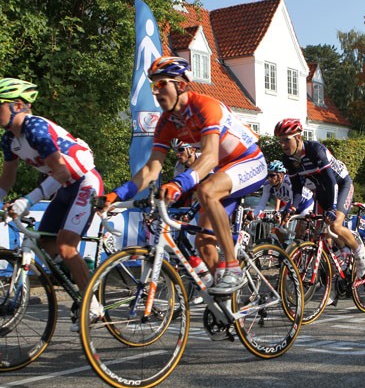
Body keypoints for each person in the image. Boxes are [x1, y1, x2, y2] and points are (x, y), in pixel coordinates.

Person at [101, 56, 267, 295]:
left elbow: (208, 157)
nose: (156, 92)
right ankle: (224, 303)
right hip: (225, 171)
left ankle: (233, 268)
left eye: (161, 84)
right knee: (202, 242)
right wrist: (115, 195)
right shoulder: (167, 123)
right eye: (153, 85)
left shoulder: (205, 106)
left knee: (206, 190)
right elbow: (151, 170)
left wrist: (179, 184)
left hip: (249, 161)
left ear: (180, 85)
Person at [0, 77, 104, 330]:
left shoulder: (34, 128)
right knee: (46, 244)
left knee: (66, 246)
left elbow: (61, 171)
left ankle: (92, 304)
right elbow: (8, 177)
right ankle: (86, 274)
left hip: (84, 181)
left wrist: (27, 200)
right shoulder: (9, 139)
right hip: (64, 186)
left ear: (17, 105)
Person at [274, 118, 365, 278]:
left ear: (298, 138)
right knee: (320, 235)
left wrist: (331, 208)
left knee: (335, 226)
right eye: (279, 141)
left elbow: (331, 181)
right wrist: (292, 208)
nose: (282, 145)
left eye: (286, 140)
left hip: (341, 184)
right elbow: (297, 187)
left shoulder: (315, 150)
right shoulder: (287, 159)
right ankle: (337, 267)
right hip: (321, 190)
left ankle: (359, 252)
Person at [249, 159, 314, 243]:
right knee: (276, 229)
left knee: (299, 233)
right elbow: (262, 204)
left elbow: (292, 201)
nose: (269, 178)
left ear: (280, 175)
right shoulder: (267, 185)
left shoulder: (288, 182)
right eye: (268, 175)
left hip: (305, 203)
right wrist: (253, 216)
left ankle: (301, 248)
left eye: (272, 175)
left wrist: (283, 213)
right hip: (292, 204)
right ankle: (283, 248)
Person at [171, 138, 201, 208]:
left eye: (181, 149)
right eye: (175, 150)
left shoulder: (203, 158)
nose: (177, 154)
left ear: (192, 149)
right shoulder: (179, 165)